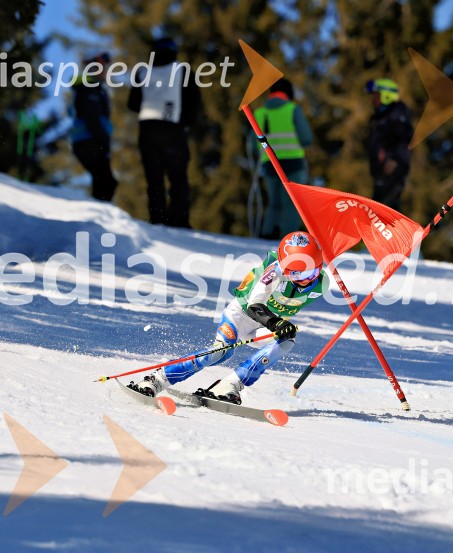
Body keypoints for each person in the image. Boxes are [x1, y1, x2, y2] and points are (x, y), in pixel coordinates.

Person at [129, 231, 329, 403]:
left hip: (264, 326)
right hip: (240, 316)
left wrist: (282, 327)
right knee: (220, 352)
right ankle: (157, 379)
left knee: (287, 341)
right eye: (295, 274)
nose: (305, 279)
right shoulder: (274, 272)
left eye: (311, 272)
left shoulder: (322, 284)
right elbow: (254, 306)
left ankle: (229, 384)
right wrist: (276, 323)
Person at [128, 37, 199, 228]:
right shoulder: (182, 70)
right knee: (178, 177)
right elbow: (194, 100)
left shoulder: (142, 71)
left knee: (154, 178)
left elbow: (132, 103)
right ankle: (179, 220)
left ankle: (157, 219)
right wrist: (186, 123)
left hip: (147, 128)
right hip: (173, 127)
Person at [252, 78, 313, 239]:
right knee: (292, 203)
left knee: (274, 202)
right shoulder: (292, 109)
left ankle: (266, 234)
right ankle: (289, 239)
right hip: (294, 163)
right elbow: (306, 138)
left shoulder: (259, 113)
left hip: (269, 163)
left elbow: (252, 145)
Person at [70, 51, 118, 202]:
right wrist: (102, 139)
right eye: (102, 67)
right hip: (91, 141)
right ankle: (98, 217)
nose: (106, 71)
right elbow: (92, 117)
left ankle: (99, 214)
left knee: (104, 180)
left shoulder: (90, 88)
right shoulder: (90, 88)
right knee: (106, 182)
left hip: (87, 140)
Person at [365, 78, 413, 211]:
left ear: (386, 95)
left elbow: (403, 139)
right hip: (381, 173)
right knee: (379, 209)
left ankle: (402, 231)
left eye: (376, 95)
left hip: (393, 168)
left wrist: (394, 160)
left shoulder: (397, 112)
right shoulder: (378, 118)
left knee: (385, 209)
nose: (373, 99)